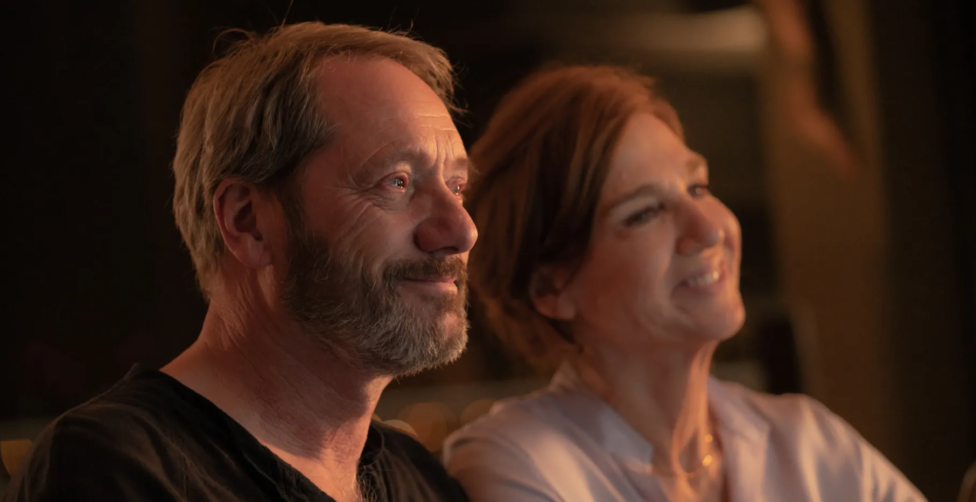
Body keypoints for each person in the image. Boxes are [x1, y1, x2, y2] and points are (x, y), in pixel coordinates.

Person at [6, 22, 475, 502]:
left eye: (457, 187)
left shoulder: (422, 481)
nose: (462, 231)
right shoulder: (113, 469)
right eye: (397, 182)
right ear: (247, 222)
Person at [443, 65, 926, 502]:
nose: (710, 229)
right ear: (550, 289)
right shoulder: (517, 462)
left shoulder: (805, 443)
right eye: (644, 213)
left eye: (698, 188)